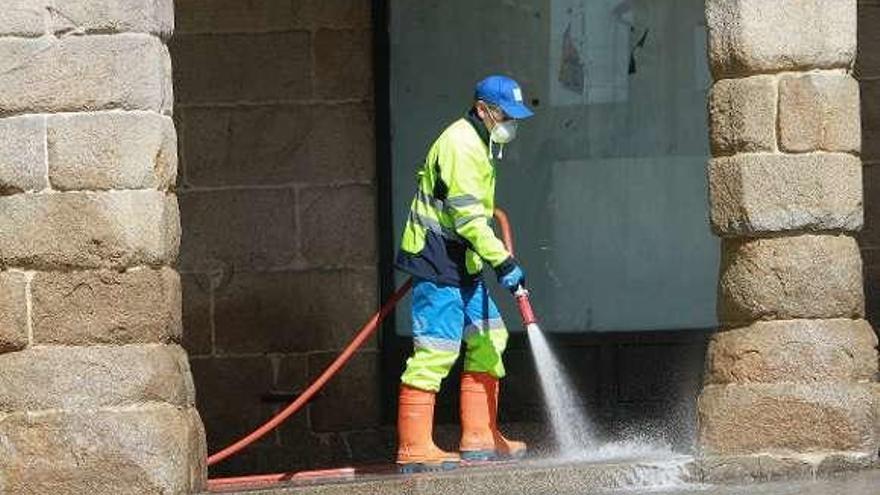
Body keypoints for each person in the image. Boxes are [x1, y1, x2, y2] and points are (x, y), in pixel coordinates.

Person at [394, 75, 534, 472]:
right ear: (484, 109)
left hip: (463, 260)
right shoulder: (460, 144)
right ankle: (414, 446)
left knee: (491, 336)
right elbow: (471, 220)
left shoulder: (480, 142)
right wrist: (504, 262)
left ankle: (480, 436)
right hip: (436, 258)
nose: (511, 124)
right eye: (506, 115)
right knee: (437, 349)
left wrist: (491, 258)